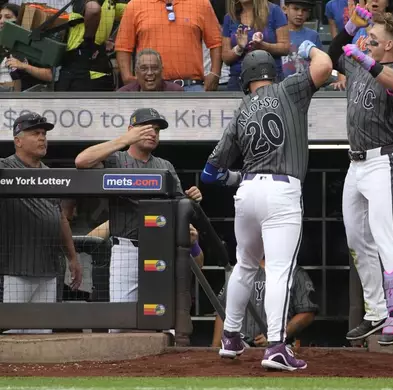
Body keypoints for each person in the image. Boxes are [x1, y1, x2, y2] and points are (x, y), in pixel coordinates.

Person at [199, 43, 332, 370]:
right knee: (279, 270)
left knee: (244, 265)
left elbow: (209, 173)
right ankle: (275, 345)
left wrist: (238, 178)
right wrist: (308, 47)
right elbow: (325, 66)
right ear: (272, 73)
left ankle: (230, 337)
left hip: (247, 192)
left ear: (246, 80)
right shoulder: (288, 88)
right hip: (281, 192)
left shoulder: (242, 109)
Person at [327, 8, 393, 345]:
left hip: (384, 160)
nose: (366, 41)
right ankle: (377, 310)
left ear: (389, 46)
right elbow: (333, 54)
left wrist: (365, 60)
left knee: (384, 234)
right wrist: (351, 26)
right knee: (356, 240)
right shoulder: (360, 61)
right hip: (356, 164)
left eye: (373, 39)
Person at [74, 108, 203, 336]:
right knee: (121, 323)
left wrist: (190, 199)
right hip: (127, 249)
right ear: (131, 130)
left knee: (162, 321)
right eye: (147, 128)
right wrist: (125, 140)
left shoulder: (165, 166)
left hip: (162, 250)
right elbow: (81, 161)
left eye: (156, 130)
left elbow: (178, 208)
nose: (153, 133)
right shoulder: (116, 159)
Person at [0, 112, 82, 334]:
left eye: (44, 133)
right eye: (35, 133)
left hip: (48, 270)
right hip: (14, 271)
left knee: (43, 335)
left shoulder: (50, 173)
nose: (42, 138)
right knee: (11, 335)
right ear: (17, 140)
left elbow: (60, 217)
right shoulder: (5, 167)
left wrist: (73, 257)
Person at [212, 258, 318, 349]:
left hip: (280, 346)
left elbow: (307, 313)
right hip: (240, 345)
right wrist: (215, 347)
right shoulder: (240, 272)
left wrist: (277, 335)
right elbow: (223, 311)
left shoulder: (294, 273)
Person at [221, 0, 290, 91]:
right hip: (238, 83)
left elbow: (285, 48)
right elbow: (226, 58)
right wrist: (239, 48)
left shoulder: (274, 11)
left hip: (270, 81)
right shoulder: (229, 18)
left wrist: (264, 46)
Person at [281, 0, 322, 78]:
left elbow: (319, 63)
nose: (300, 13)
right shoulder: (277, 34)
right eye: (296, 9)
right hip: (279, 85)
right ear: (285, 9)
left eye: (305, 10)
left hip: (306, 85)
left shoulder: (313, 35)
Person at [118, 49, 184, 92]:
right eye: (144, 68)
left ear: (161, 71)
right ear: (136, 72)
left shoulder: (175, 91)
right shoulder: (124, 94)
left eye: (154, 68)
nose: (150, 73)